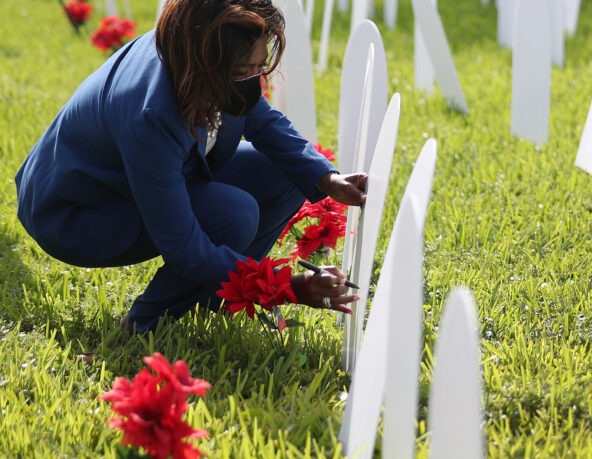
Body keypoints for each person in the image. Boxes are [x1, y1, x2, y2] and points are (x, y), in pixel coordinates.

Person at [14, 0, 364, 332]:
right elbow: (183, 246)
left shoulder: (192, 50)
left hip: (139, 175)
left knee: (286, 175)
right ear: (208, 60)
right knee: (234, 213)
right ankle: (144, 324)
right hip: (79, 209)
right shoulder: (150, 113)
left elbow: (261, 118)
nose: (255, 79)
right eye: (245, 71)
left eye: (260, 68)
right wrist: (285, 287)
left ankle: (216, 297)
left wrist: (327, 177)